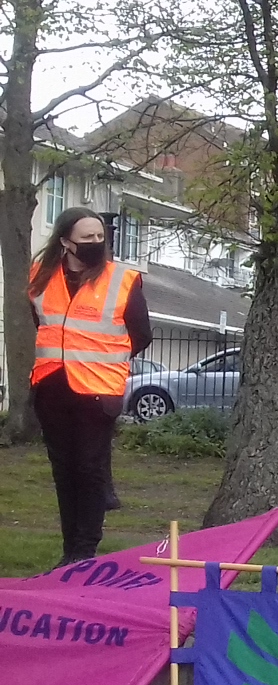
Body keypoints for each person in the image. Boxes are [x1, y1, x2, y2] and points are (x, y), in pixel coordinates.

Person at [27, 208, 150, 564]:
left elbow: (141, 334)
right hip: (52, 385)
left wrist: (104, 358)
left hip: (98, 390)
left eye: (100, 237)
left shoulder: (122, 279)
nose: (96, 242)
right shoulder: (40, 276)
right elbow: (43, 324)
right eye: (87, 238)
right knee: (64, 470)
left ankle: (85, 550)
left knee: (89, 468)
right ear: (66, 242)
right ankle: (70, 552)